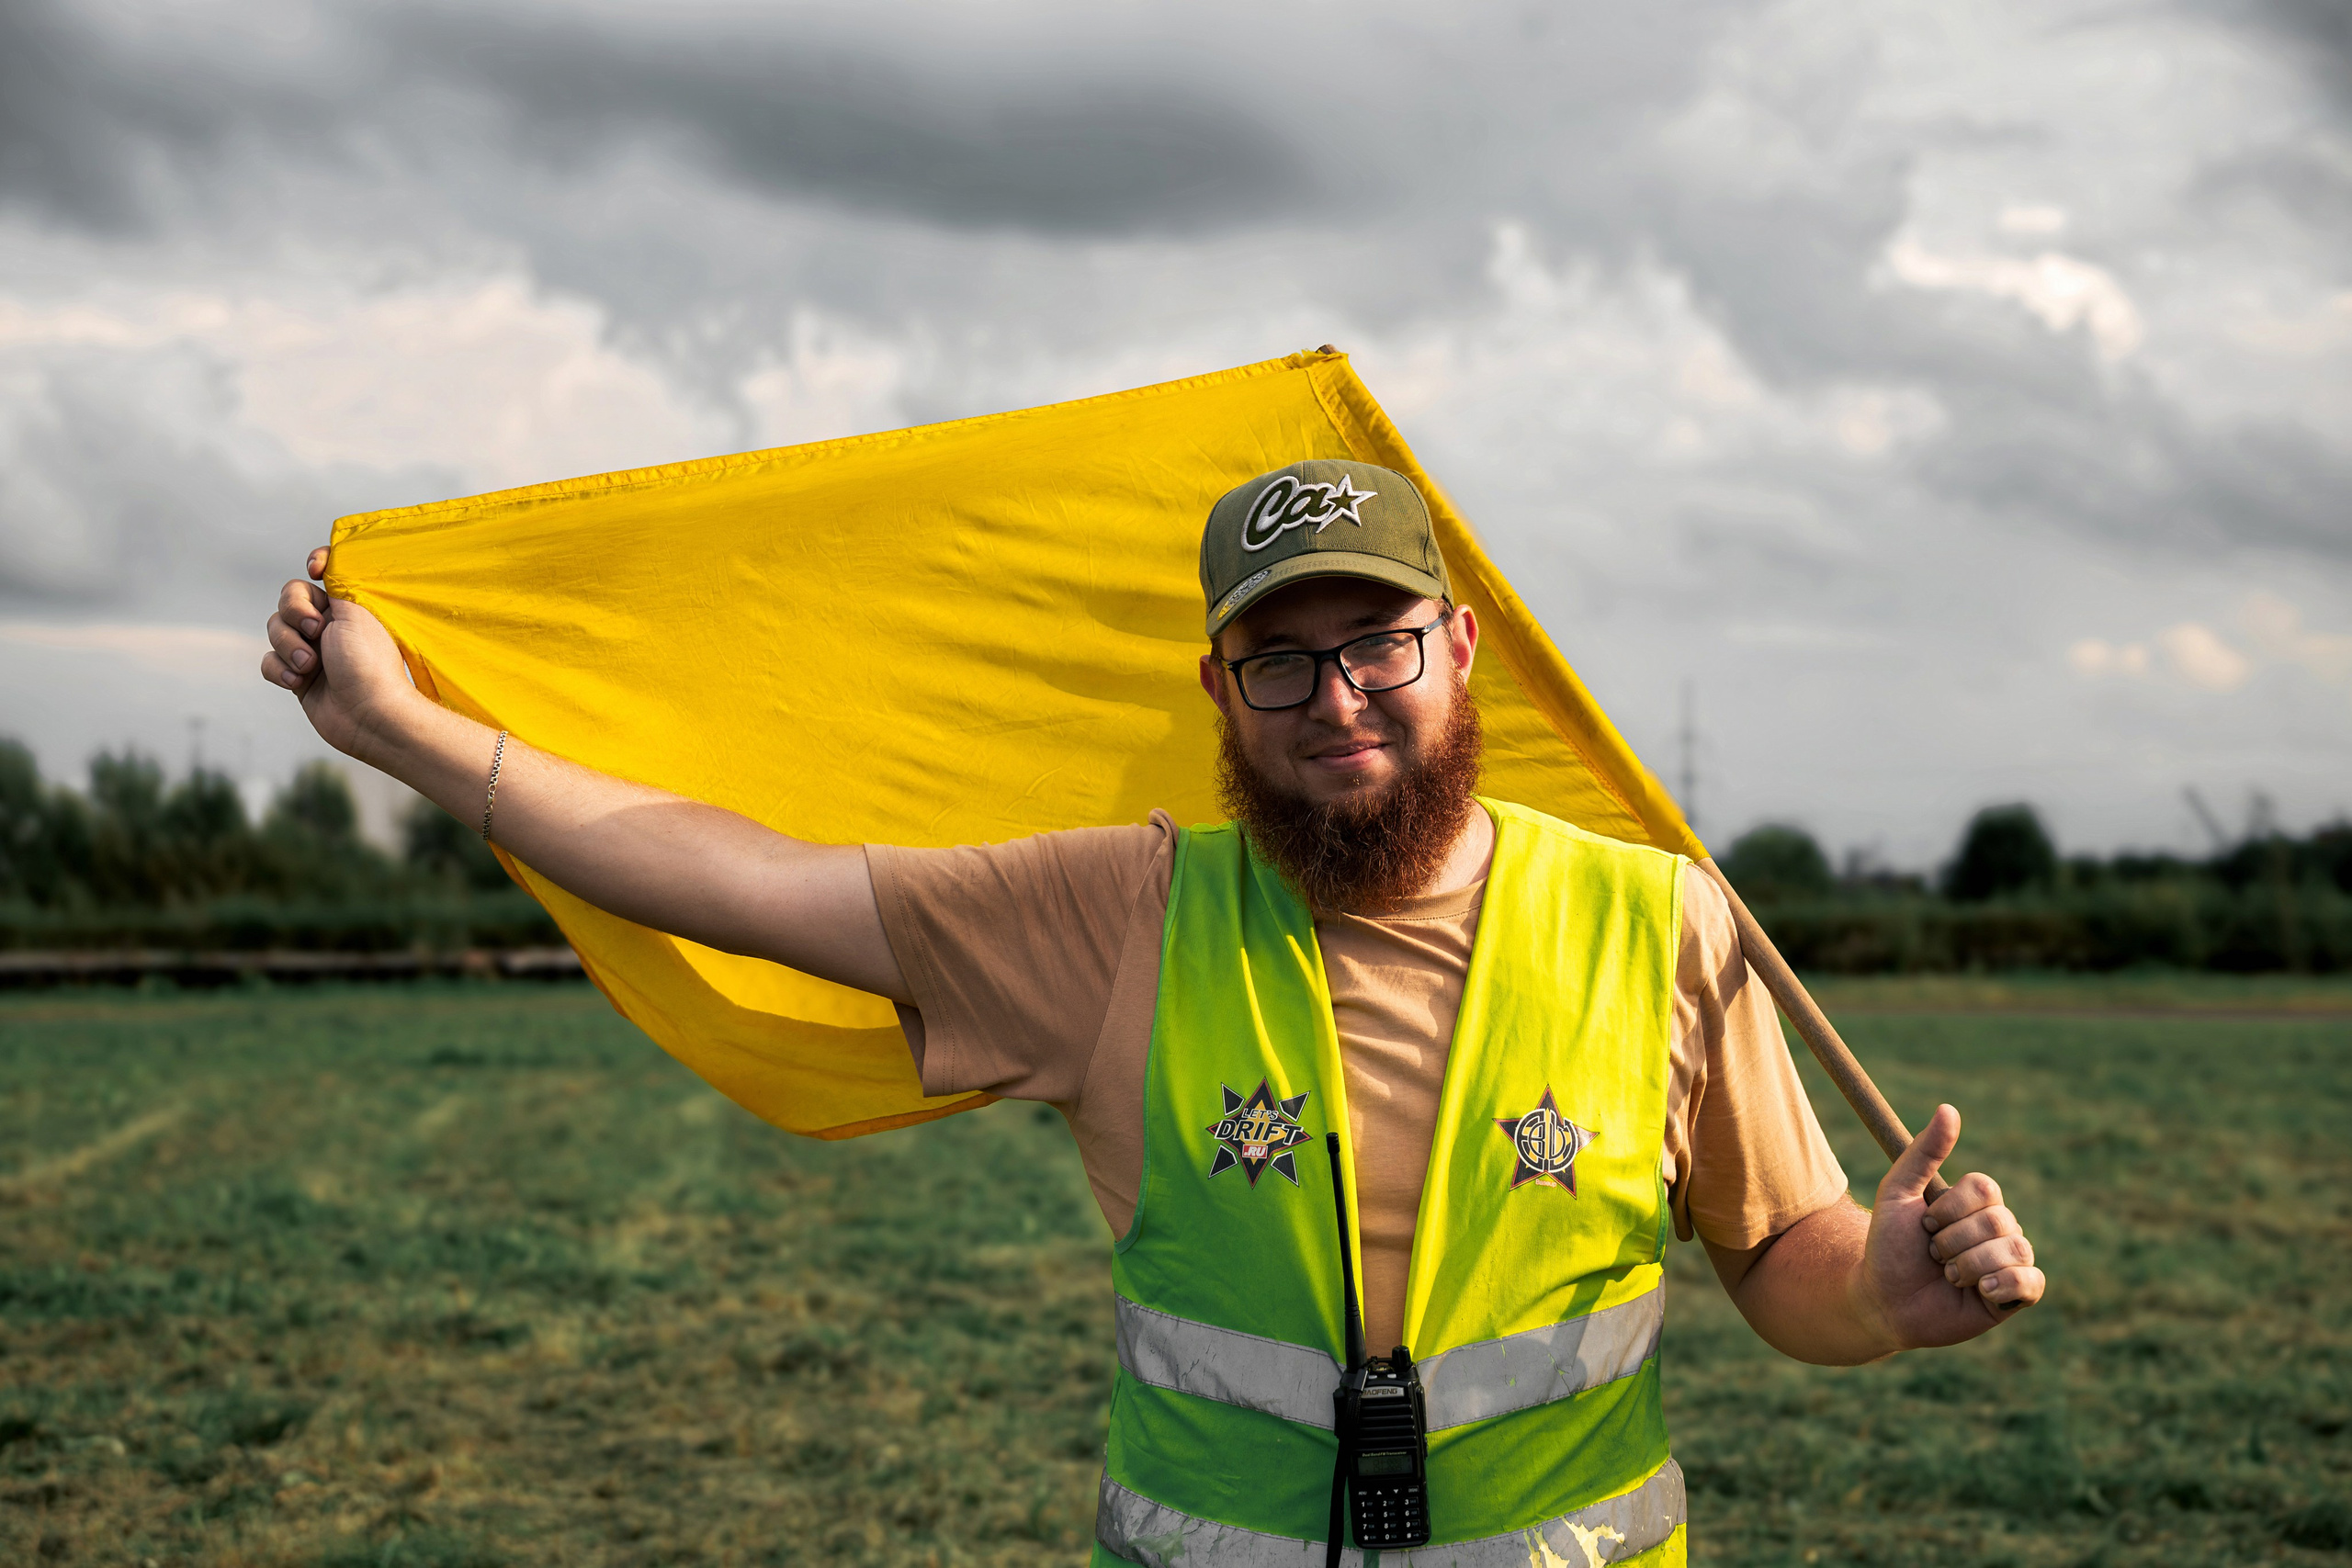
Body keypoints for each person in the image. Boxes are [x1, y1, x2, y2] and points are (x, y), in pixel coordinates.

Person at [262, 458, 2043, 1566]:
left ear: (1462, 647)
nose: (1337, 695)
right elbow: (736, 876)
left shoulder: (1656, 915)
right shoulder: (1117, 907)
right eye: (1281, 656)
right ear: (1217, 685)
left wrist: (1876, 1290)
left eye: (1379, 644)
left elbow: (1780, 1254)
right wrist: (408, 731)